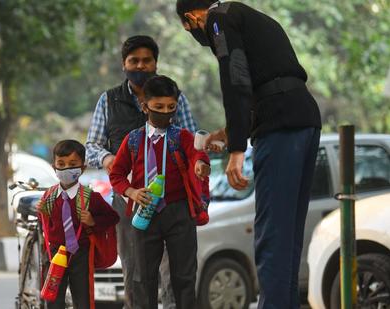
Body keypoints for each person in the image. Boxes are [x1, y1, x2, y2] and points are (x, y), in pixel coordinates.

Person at [175, 1, 322, 308]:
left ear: (191, 18)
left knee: (272, 238)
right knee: (287, 238)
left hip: (280, 126)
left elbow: (236, 78)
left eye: (189, 29)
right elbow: (265, 81)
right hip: (304, 119)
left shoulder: (217, 20)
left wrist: (237, 149)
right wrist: (228, 133)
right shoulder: (248, 16)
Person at [85, 35, 198, 309]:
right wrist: (110, 158)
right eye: (134, 61)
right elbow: (91, 147)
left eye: (147, 61)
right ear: (124, 64)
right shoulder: (109, 100)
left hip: (174, 202)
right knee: (136, 274)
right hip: (129, 204)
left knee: (177, 274)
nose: (141, 66)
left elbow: (192, 141)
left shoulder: (174, 97)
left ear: (156, 64)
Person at [109, 75, 210, 309]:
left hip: (179, 212)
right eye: (158, 107)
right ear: (145, 107)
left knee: (184, 277)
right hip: (145, 214)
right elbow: (116, 175)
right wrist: (132, 192)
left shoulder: (182, 136)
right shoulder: (133, 140)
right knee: (143, 278)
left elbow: (197, 154)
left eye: (171, 108)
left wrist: (200, 164)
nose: (165, 112)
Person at [38, 140, 120, 309]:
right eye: (61, 164)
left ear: (82, 168)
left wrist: (93, 221)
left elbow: (113, 217)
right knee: (53, 300)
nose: (66, 168)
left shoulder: (91, 197)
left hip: (81, 253)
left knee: (83, 299)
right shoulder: (49, 196)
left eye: (72, 164)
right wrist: (43, 214)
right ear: (54, 167)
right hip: (54, 254)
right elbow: (45, 224)